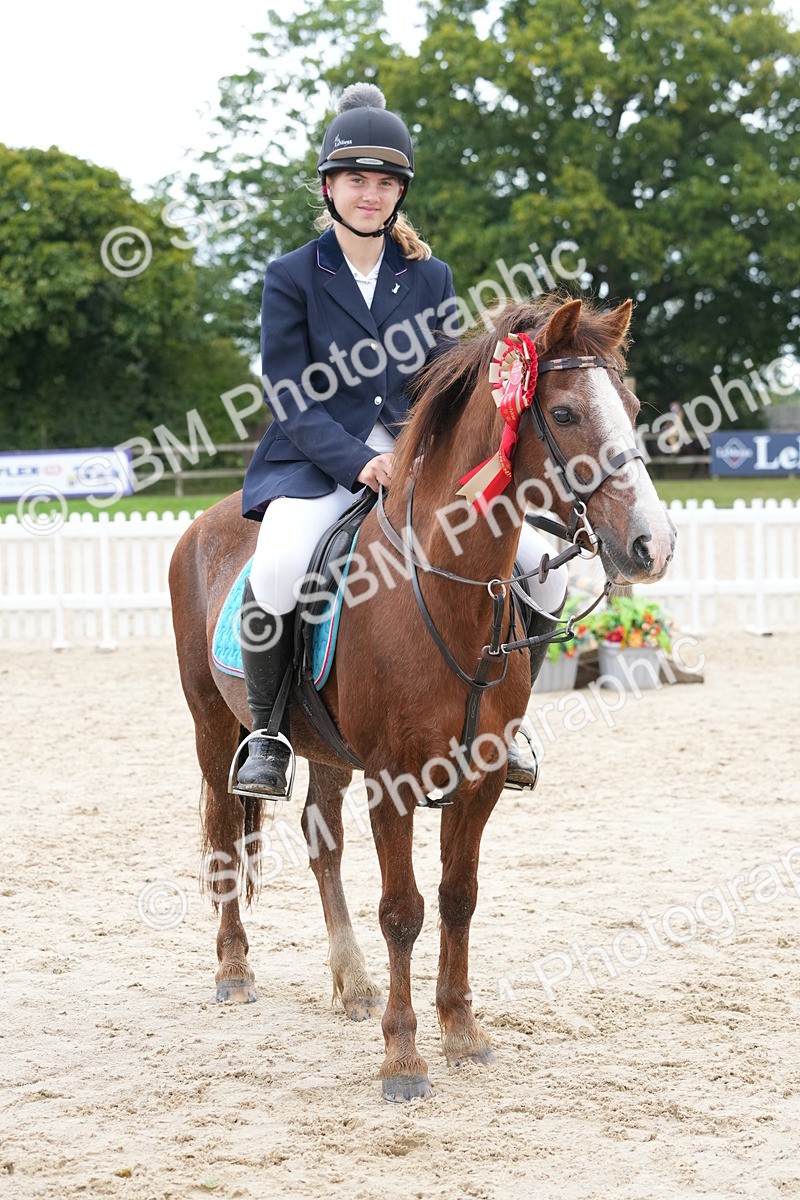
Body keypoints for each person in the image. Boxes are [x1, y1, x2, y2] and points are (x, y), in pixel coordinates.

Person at [235, 83, 567, 798]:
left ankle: (505, 724)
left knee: (547, 569)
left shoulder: (429, 275)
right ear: (329, 187)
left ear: (399, 193)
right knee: (281, 567)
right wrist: (361, 460)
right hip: (316, 459)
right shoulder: (291, 276)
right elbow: (289, 394)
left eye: (385, 183)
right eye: (357, 179)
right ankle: (266, 734)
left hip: (419, 457)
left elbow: (441, 381)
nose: (371, 194)